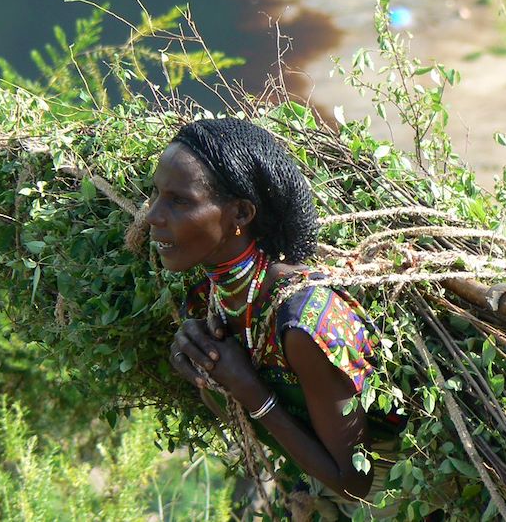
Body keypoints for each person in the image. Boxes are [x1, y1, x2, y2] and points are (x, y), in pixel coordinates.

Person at [144, 118, 405, 517]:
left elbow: (357, 483)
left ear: (241, 213)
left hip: (389, 503)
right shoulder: (207, 302)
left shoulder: (305, 323)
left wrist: (248, 389)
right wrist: (201, 364)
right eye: (155, 195)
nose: (153, 216)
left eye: (179, 201)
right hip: (312, 493)